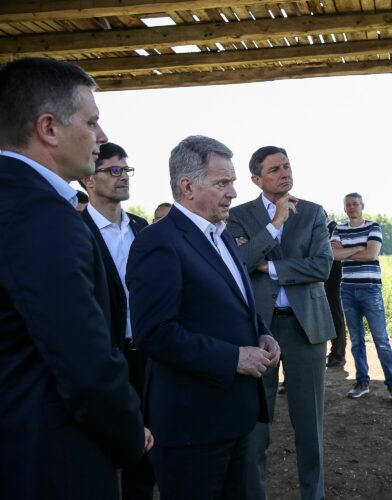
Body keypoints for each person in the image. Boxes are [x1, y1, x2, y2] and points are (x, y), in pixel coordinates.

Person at [0, 57, 148, 500]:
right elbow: (82, 360)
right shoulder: (43, 214)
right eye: (92, 121)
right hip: (49, 459)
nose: (101, 139)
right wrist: (127, 433)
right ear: (49, 128)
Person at [126, 135, 280, 500]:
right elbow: (154, 332)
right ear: (187, 186)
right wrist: (233, 358)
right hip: (192, 426)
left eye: (232, 182)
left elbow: (235, 303)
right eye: (222, 183)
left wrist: (262, 333)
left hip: (233, 417)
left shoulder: (222, 236)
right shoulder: (157, 241)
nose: (232, 193)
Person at [227, 146, 334, 500]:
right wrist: (274, 227)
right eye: (274, 169)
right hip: (259, 330)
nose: (284, 173)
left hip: (307, 329)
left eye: (286, 166)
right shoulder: (238, 215)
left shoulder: (314, 212)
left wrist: (269, 266)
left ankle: (313, 495)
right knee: (256, 426)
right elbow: (239, 259)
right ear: (257, 179)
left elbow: (322, 266)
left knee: (310, 425)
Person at [79, 141, 155, 500]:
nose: (123, 176)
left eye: (126, 169)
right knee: (101, 452)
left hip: (150, 356)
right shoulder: (75, 231)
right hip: (104, 359)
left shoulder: (143, 229)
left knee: (146, 455)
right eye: (113, 170)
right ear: (89, 180)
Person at [332, 193, 392, 405]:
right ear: (344, 208)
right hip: (347, 290)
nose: (351, 207)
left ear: (362, 206)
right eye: (348, 204)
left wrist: (347, 251)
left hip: (370, 289)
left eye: (355, 204)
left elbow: (372, 254)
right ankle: (362, 383)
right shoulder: (339, 229)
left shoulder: (373, 227)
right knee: (356, 341)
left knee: (381, 340)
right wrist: (358, 248)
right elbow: (334, 255)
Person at [324, 210, 347, 368]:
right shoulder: (329, 229)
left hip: (333, 280)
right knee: (333, 316)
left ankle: (338, 354)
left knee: (335, 316)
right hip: (327, 280)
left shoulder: (334, 229)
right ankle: (335, 352)